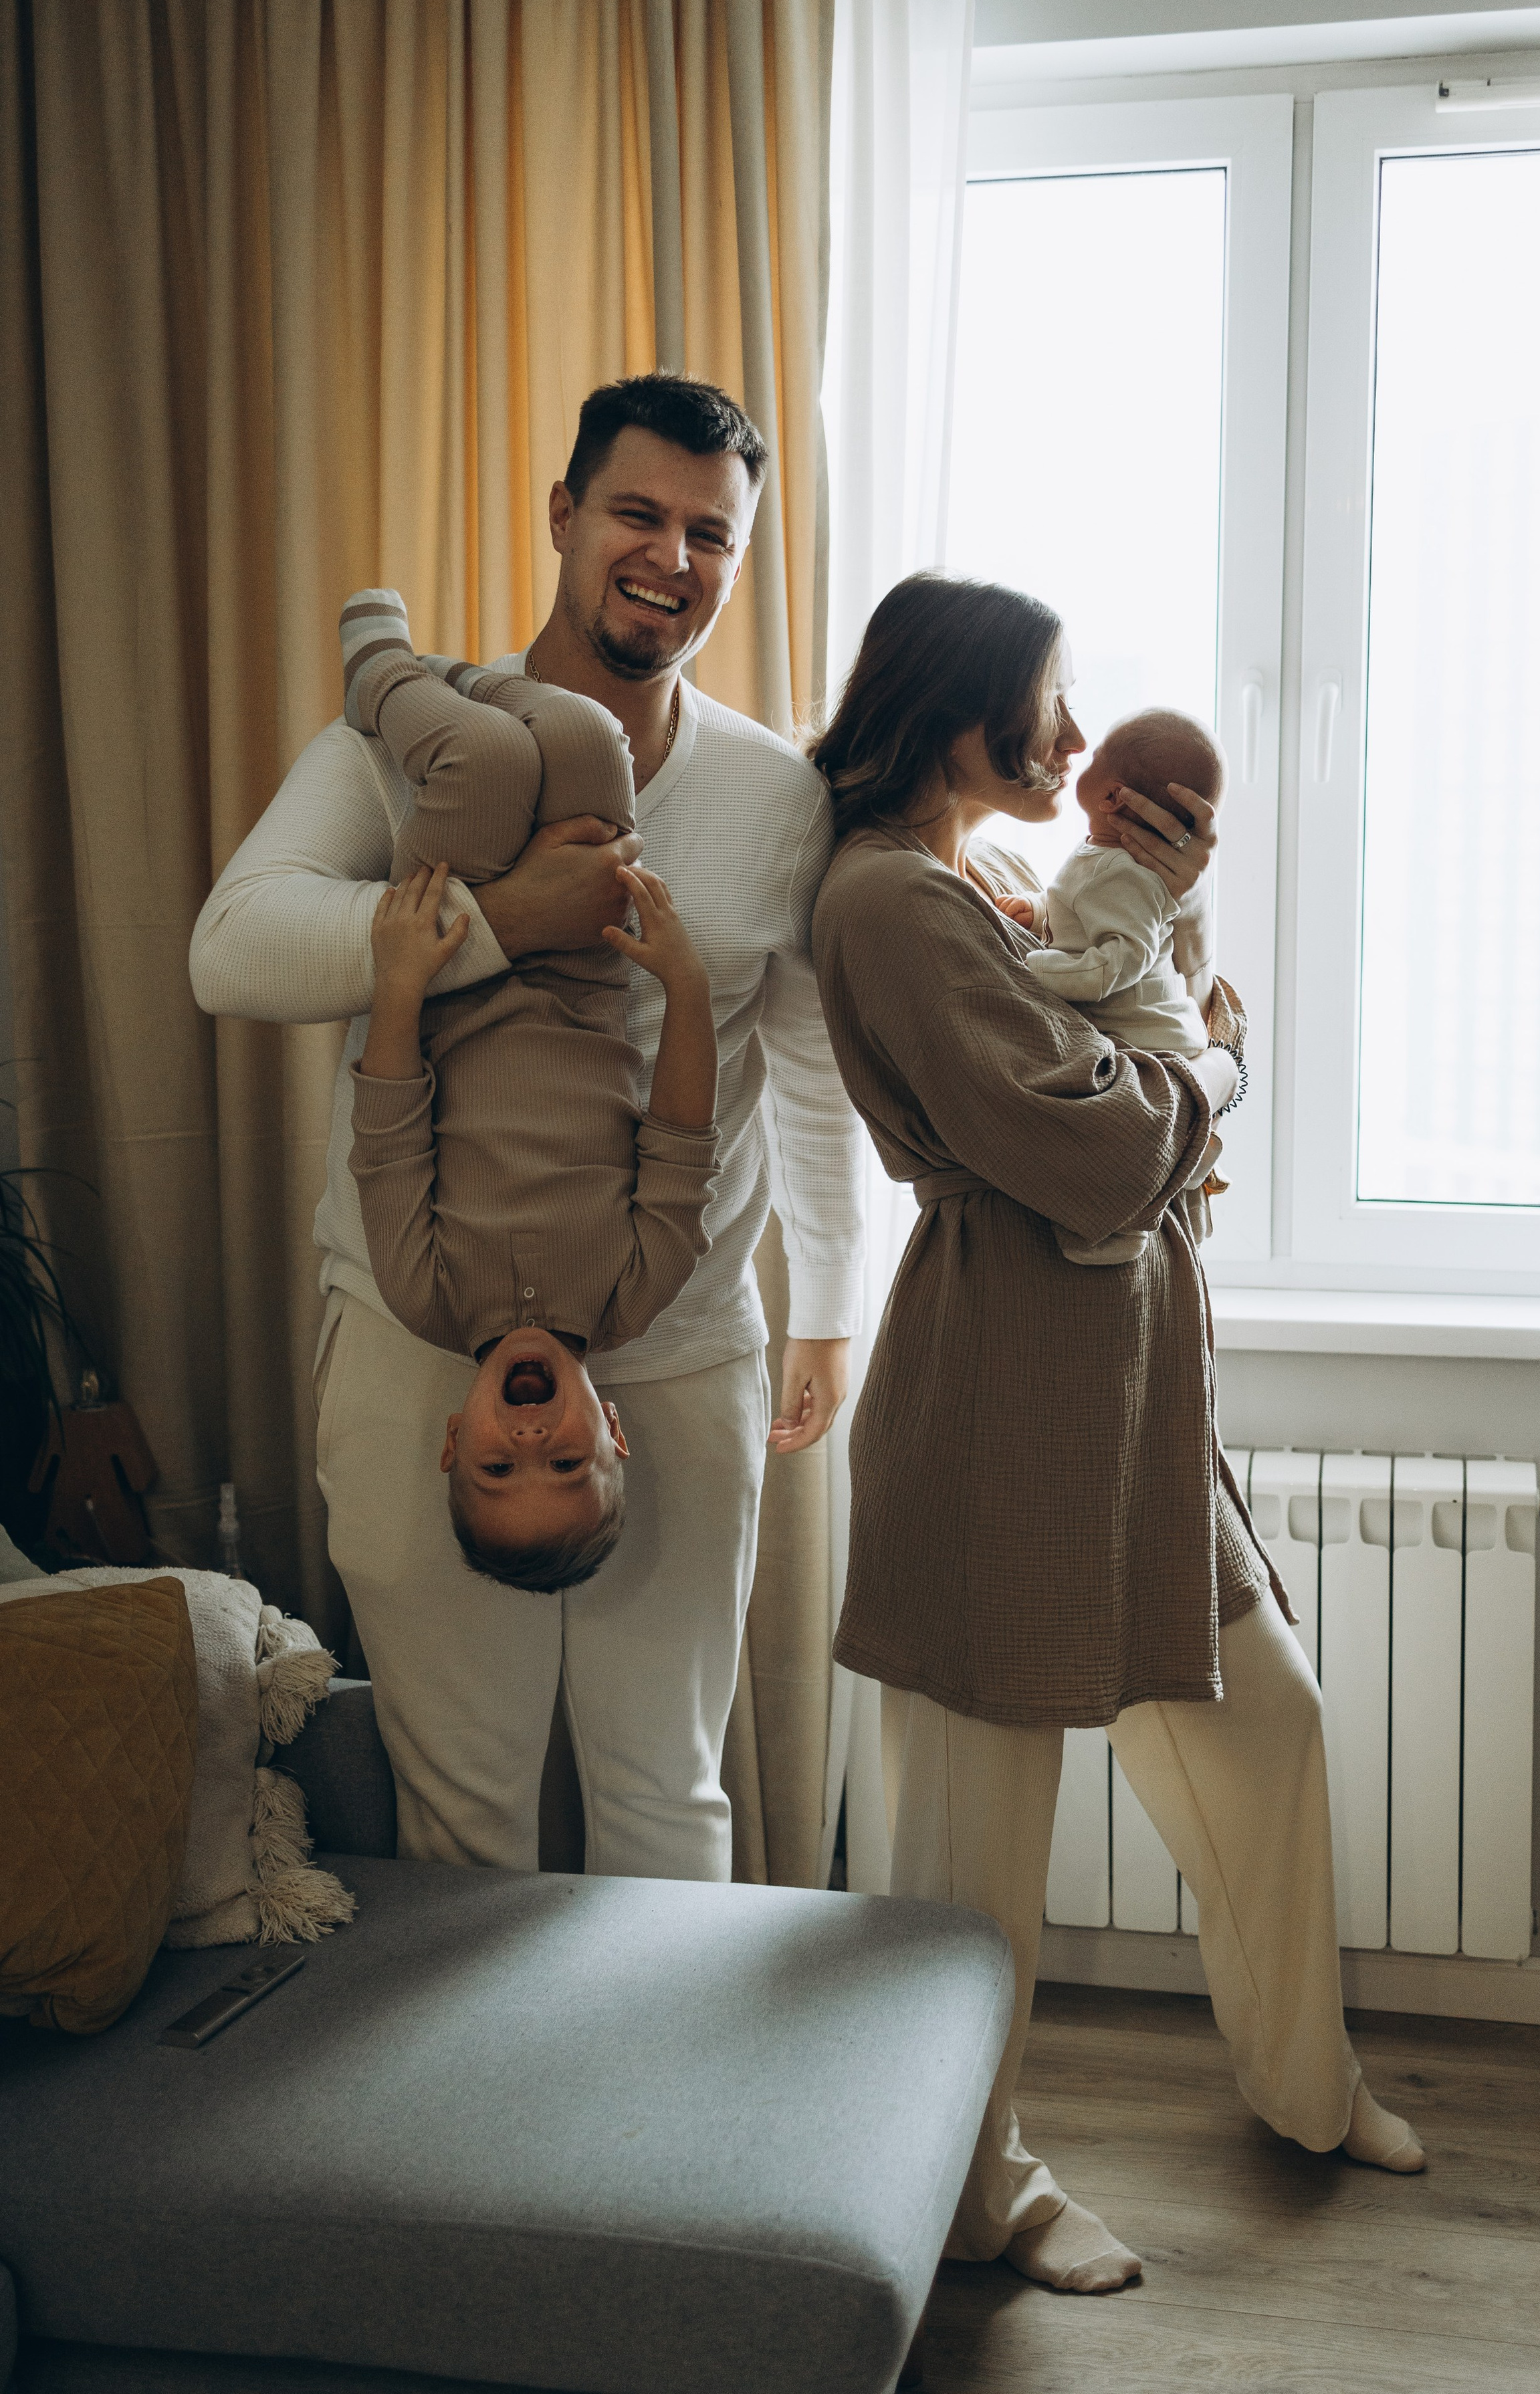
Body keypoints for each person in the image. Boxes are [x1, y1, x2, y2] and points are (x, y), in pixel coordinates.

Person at [810, 571, 1426, 2301]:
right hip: (998, 1399)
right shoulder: (891, 907)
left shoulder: (985, 888)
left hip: (1132, 1407)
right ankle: (973, 2191)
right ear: (957, 706)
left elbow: (1127, 1026)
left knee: (1269, 1720)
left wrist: (1176, 933)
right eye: (1051, 706)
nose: (1077, 743)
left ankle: (1308, 2087)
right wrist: (1223, 1073)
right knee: (972, 1857)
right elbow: (1092, 1142)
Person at [189, 372, 865, 1881]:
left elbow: (806, 1062)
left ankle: (673, 2117)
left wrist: (826, 1300)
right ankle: (474, 2124)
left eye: (711, 534)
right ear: (564, 516)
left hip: (681, 1350)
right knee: (461, 1805)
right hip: (418, 1342)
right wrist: (500, 920)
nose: (671, 559)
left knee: (666, 1790)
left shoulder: (776, 795)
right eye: (637, 512)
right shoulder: (419, 744)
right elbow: (230, 950)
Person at [339, 589, 722, 1594]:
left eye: (499, 1464)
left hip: (455, 960)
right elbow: (684, 1133)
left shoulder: (425, 1293)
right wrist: (683, 984)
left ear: (453, 1439)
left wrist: (401, 983)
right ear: (617, 1435)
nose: (533, 1434)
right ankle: (455, 677)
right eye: (566, 1461)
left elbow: (388, 1128)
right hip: (590, 962)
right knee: (593, 738)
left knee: (491, 761)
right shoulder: (639, 1288)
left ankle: (379, 672)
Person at [998, 706, 1228, 1265]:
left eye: (1097, 754)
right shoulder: (1106, 861)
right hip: (1168, 1043)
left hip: (1150, 1041)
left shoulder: (1122, 872)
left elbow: (1116, 958)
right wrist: (1037, 912)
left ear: (1113, 799)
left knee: (1130, 1167)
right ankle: (1193, 1162)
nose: (1078, 746)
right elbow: (1082, 912)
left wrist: (1030, 969)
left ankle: (1126, 1228)